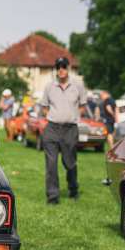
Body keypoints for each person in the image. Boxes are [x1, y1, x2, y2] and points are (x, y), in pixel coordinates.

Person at [39, 56, 87, 206]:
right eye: (58, 67)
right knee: (51, 164)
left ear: (68, 68)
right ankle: (52, 197)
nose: (61, 69)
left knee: (70, 163)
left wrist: (71, 116)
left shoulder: (78, 85)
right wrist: (55, 117)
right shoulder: (49, 86)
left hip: (70, 129)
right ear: (55, 69)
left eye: (63, 66)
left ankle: (73, 188)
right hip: (52, 128)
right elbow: (44, 108)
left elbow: (83, 106)